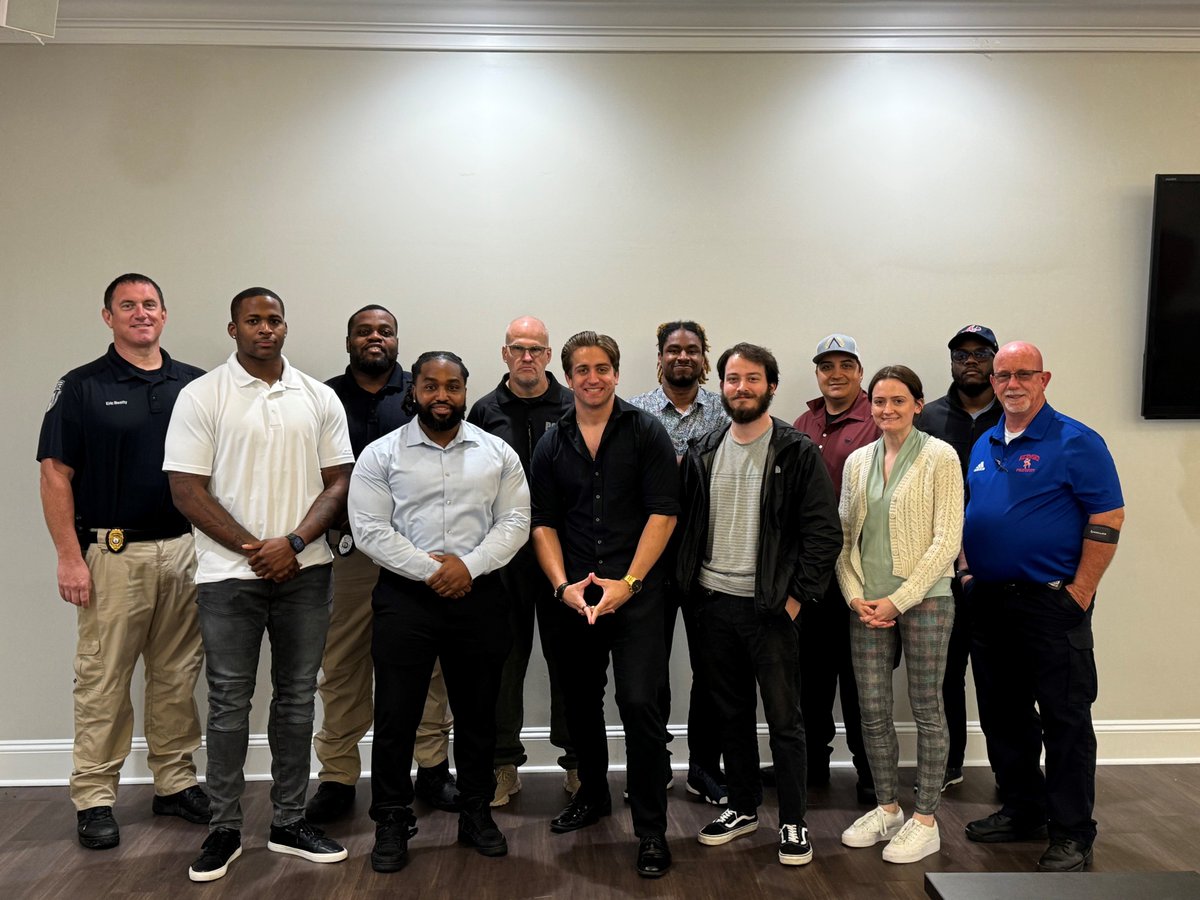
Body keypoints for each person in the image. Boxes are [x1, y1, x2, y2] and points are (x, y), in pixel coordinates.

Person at [165, 288, 354, 882]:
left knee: (297, 699)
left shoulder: (317, 396)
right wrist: (258, 549)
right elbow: (186, 489)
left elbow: (339, 481)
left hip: (307, 572)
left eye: (274, 320)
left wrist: (292, 543)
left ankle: (289, 822)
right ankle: (223, 828)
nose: (265, 329)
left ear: (285, 327)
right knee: (228, 703)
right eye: (253, 320)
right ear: (233, 329)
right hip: (228, 578)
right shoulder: (202, 395)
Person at [37, 273, 210, 851]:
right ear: (107, 316)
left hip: (184, 551)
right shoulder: (82, 386)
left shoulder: (195, 385)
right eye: (128, 305)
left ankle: (175, 782)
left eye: (150, 304)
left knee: (177, 675)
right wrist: (69, 557)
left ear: (164, 314)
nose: (141, 313)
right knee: (103, 678)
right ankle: (94, 796)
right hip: (112, 554)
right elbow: (55, 473)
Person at [349, 350, 530, 872]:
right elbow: (369, 529)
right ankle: (391, 820)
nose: (442, 396)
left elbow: (516, 521)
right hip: (405, 599)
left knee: (478, 713)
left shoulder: (497, 453)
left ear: (465, 391)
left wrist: (467, 567)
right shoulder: (381, 455)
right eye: (431, 386)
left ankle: (476, 813)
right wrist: (432, 571)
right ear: (415, 390)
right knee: (396, 714)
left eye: (453, 386)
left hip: (480, 595)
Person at [677, 342, 841, 868]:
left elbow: (824, 533)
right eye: (732, 379)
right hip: (711, 605)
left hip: (771, 610)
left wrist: (796, 600)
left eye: (752, 379)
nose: (741, 388)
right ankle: (743, 806)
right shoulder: (704, 448)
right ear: (720, 385)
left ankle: (793, 821)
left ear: (771, 386)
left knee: (785, 721)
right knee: (731, 714)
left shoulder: (795, 451)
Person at [961, 341, 1123, 873]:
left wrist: (1080, 592)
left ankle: (1073, 831)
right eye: (1003, 375)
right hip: (989, 602)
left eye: (1023, 374)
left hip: (1052, 603)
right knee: (1004, 715)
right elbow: (972, 514)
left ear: (1044, 379)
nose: (1012, 384)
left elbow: (1108, 518)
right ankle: (1023, 810)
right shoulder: (985, 442)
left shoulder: (1077, 440)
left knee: (1064, 718)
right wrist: (966, 572)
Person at [530, 331, 678, 879]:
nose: (592, 378)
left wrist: (629, 583)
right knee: (579, 704)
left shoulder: (647, 431)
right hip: (574, 598)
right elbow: (542, 522)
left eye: (602, 368)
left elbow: (663, 513)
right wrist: (562, 587)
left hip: (636, 596)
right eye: (582, 370)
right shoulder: (552, 442)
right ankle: (592, 795)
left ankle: (651, 830)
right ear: (568, 377)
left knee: (640, 704)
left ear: (616, 373)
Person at [308, 305, 457, 823]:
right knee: (342, 664)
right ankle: (338, 776)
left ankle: (432, 767)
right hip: (348, 553)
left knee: (428, 665)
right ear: (349, 340)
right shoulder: (324, 397)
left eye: (385, 331)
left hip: (415, 556)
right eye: (364, 331)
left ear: (397, 340)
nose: (375, 338)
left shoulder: (423, 392)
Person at [836, 365, 962, 865]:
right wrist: (855, 596)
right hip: (866, 603)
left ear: (917, 404)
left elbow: (947, 539)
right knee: (871, 710)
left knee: (928, 709)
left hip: (927, 599)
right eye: (879, 401)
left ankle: (925, 820)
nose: (887, 409)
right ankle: (887, 808)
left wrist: (900, 599)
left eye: (898, 401)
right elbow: (845, 539)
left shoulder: (940, 456)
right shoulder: (857, 461)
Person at [467, 316, 577, 806]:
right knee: (502, 661)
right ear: (505, 354)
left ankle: (578, 763)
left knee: (569, 660)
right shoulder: (484, 410)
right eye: (518, 348)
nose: (526, 356)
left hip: (565, 554)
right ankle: (503, 764)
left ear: (549, 356)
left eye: (535, 348)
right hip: (502, 558)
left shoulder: (573, 405)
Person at [629, 319, 729, 807]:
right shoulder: (635, 413)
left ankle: (704, 767)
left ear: (704, 358)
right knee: (650, 670)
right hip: (651, 559)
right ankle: (654, 764)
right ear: (660, 357)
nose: (682, 357)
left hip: (710, 557)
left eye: (692, 349)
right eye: (673, 349)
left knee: (711, 670)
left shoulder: (725, 412)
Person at [792, 333, 880, 804]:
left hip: (863, 572)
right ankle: (811, 765)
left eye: (846, 364)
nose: (836, 373)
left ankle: (870, 772)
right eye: (827, 366)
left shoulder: (877, 418)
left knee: (861, 678)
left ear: (860, 372)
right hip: (813, 572)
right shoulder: (803, 422)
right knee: (812, 675)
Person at [916, 324, 1002, 793]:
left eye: (980, 353)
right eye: (961, 354)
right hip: (940, 567)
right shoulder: (928, 417)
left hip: (996, 566)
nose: (970, 361)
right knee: (944, 673)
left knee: (1000, 674)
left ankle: (1010, 769)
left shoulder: (1013, 414)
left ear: (994, 360)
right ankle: (949, 763)